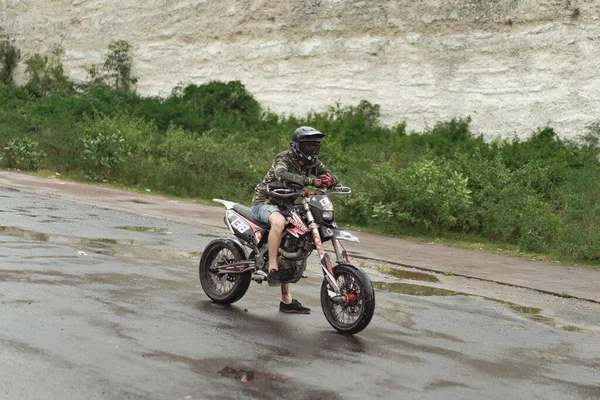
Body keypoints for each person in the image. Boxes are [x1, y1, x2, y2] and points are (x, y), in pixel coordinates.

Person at [250, 126, 338, 314]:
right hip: (265, 203)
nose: (312, 150)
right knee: (279, 223)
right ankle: (272, 267)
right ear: (297, 146)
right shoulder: (284, 158)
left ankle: (286, 300)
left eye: (315, 146)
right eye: (308, 146)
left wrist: (330, 180)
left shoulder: (312, 163)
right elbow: (282, 174)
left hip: (287, 205)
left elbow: (329, 175)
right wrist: (311, 182)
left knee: (295, 238)